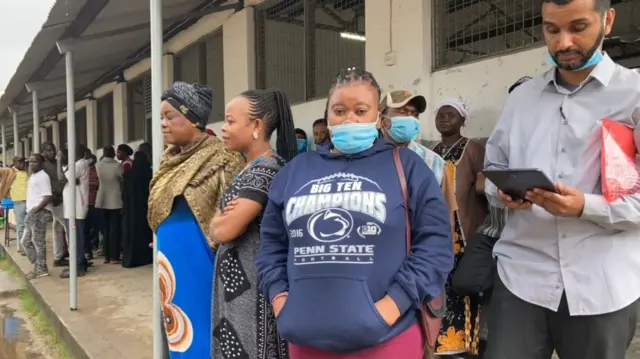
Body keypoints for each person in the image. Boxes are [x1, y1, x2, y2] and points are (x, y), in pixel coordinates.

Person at [256, 68, 453, 359]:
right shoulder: (295, 171)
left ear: (378, 118)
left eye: (361, 110)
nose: (350, 118)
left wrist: (393, 304)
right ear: (328, 115)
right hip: (305, 340)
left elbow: (435, 244)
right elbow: (271, 244)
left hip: (387, 340)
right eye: (339, 110)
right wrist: (281, 300)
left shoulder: (408, 167)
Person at [484, 1, 640, 358]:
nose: (563, 42)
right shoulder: (522, 99)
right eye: (551, 30)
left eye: (578, 27)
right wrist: (503, 191)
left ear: (608, 20)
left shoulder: (634, 95)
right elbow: (493, 169)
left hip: (603, 282)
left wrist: (586, 206)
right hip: (521, 277)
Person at [148, 81, 244, 358]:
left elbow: (234, 220)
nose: (163, 124)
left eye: (170, 116)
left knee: (202, 334)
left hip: (203, 264)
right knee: (177, 334)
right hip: (171, 266)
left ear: (192, 119)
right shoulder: (168, 161)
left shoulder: (223, 158)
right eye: (161, 118)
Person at [210, 89, 296, 359]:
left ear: (256, 126)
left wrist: (218, 220)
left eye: (230, 121)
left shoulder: (265, 172)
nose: (223, 128)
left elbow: (222, 230)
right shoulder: (249, 169)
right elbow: (217, 224)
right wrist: (219, 218)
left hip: (252, 294)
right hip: (239, 290)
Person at [430, 98, 487, 356]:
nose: (444, 119)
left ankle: (467, 344)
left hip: (463, 233)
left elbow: (486, 187)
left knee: (462, 288)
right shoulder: (431, 152)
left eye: (450, 114)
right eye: (441, 115)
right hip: (437, 232)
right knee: (440, 288)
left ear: (462, 120)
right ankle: (441, 342)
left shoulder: (473, 149)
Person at [378, 90, 457, 230]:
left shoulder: (433, 162)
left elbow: (445, 217)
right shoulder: (367, 159)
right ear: (382, 119)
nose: (410, 118)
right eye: (402, 112)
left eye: (415, 114)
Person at [58, 146, 90, 278]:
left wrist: (59, 160)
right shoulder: (75, 165)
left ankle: (78, 267)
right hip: (72, 208)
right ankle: (77, 264)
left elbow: (61, 178)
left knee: (76, 239)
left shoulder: (79, 164)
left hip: (76, 209)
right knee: (74, 239)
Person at [21, 154, 54, 279]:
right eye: (30, 162)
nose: (32, 164)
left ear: (41, 163)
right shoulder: (33, 176)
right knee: (25, 241)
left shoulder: (43, 177)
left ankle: (41, 268)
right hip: (32, 212)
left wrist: (38, 208)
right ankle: (38, 264)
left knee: (38, 242)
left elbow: (48, 196)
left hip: (40, 212)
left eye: (35, 162)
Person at [122, 151, 153, 268]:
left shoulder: (129, 174)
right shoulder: (149, 173)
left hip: (130, 210)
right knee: (144, 232)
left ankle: (130, 257)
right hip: (145, 208)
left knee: (131, 232)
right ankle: (145, 256)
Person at [41, 141, 68, 267]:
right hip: (55, 199)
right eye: (49, 150)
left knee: (57, 228)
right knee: (68, 226)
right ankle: (76, 257)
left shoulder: (54, 163)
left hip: (60, 196)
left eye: (53, 150)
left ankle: (58, 257)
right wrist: (52, 196)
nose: (52, 152)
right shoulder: (44, 165)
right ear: (43, 152)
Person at [95, 145, 123, 264]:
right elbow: (122, 178)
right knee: (115, 229)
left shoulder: (98, 165)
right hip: (115, 200)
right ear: (113, 154)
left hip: (102, 199)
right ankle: (114, 257)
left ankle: (106, 257)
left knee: (105, 230)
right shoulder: (117, 166)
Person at [0, 157, 28, 255]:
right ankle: (24, 248)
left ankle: (29, 246)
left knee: (30, 226)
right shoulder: (10, 172)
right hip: (18, 203)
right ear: (14, 163)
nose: (22, 163)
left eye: (23, 161)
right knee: (21, 226)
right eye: (20, 162)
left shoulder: (28, 171)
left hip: (30, 202)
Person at [85, 154, 100, 259]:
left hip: (96, 202)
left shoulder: (97, 170)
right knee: (87, 228)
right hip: (87, 203)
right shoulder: (84, 171)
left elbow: (99, 183)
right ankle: (88, 251)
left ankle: (94, 247)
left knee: (95, 227)